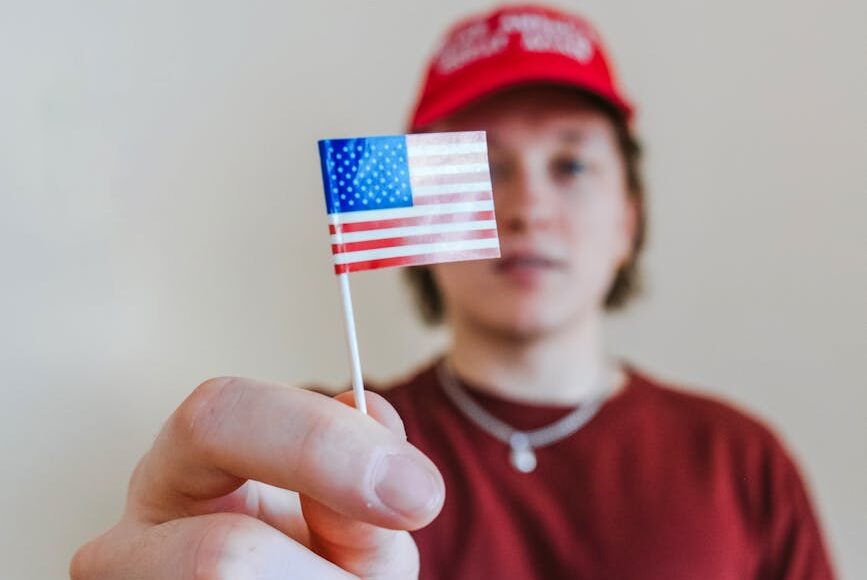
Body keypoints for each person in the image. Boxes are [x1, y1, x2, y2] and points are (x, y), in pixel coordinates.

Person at [71, 4, 835, 579]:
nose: (526, 207)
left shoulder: (741, 461)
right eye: (486, 168)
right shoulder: (320, 466)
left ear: (626, 219)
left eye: (569, 166)